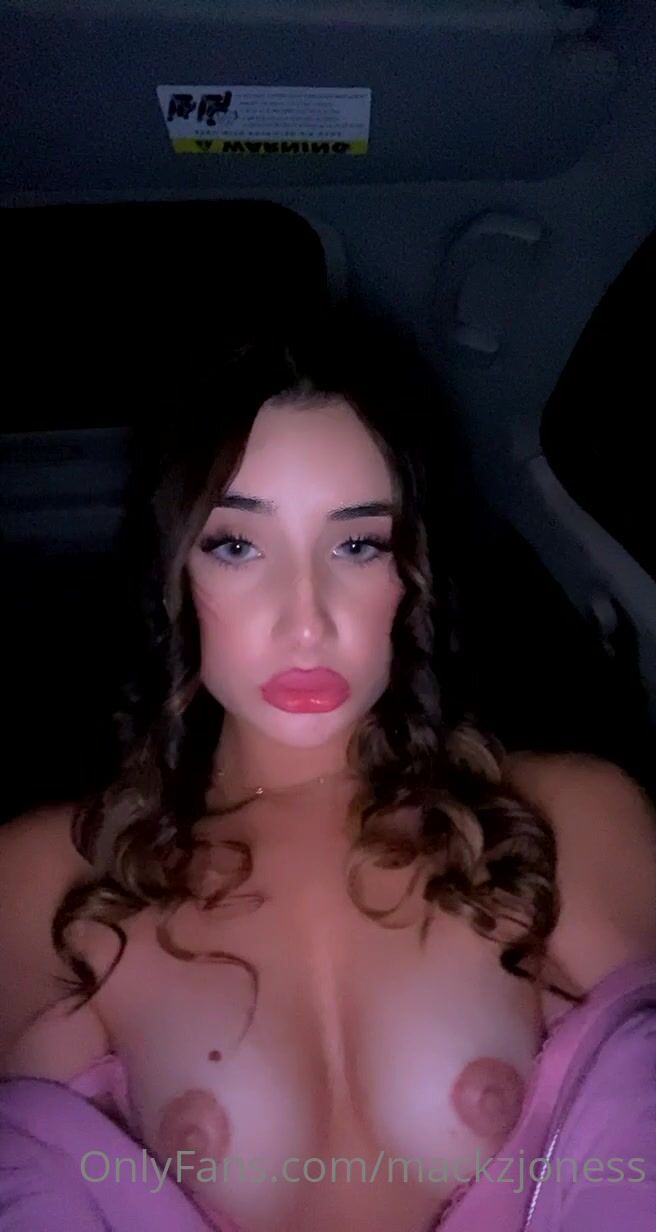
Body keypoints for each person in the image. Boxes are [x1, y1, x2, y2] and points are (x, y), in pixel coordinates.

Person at [1, 301, 655, 1232]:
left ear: (412, 570)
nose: (305, 619)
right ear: (175, 569)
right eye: (237, 545)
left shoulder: (569, 823)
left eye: (357, 544)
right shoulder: (47, 882)